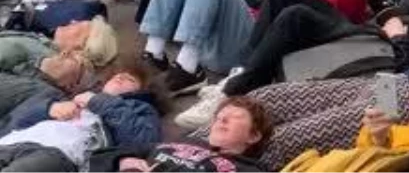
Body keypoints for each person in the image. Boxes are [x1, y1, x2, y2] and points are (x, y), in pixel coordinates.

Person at [0, 63, 164, 172]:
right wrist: (49, 108)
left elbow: (142, 141)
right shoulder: (65, 97)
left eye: (129, 79)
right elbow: (11, 122)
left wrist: (98, 101)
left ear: (141, 92)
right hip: (10, 143)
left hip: (59, 153)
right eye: (116, 75)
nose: (119, 77)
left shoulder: (140, 109)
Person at [89, 96, 272, 173]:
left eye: (236, 116)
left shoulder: (249, 169)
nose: (222, 119)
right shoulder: (186, 141)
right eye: (219, 116)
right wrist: (124, 160)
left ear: (254, 136)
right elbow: (104, 156)